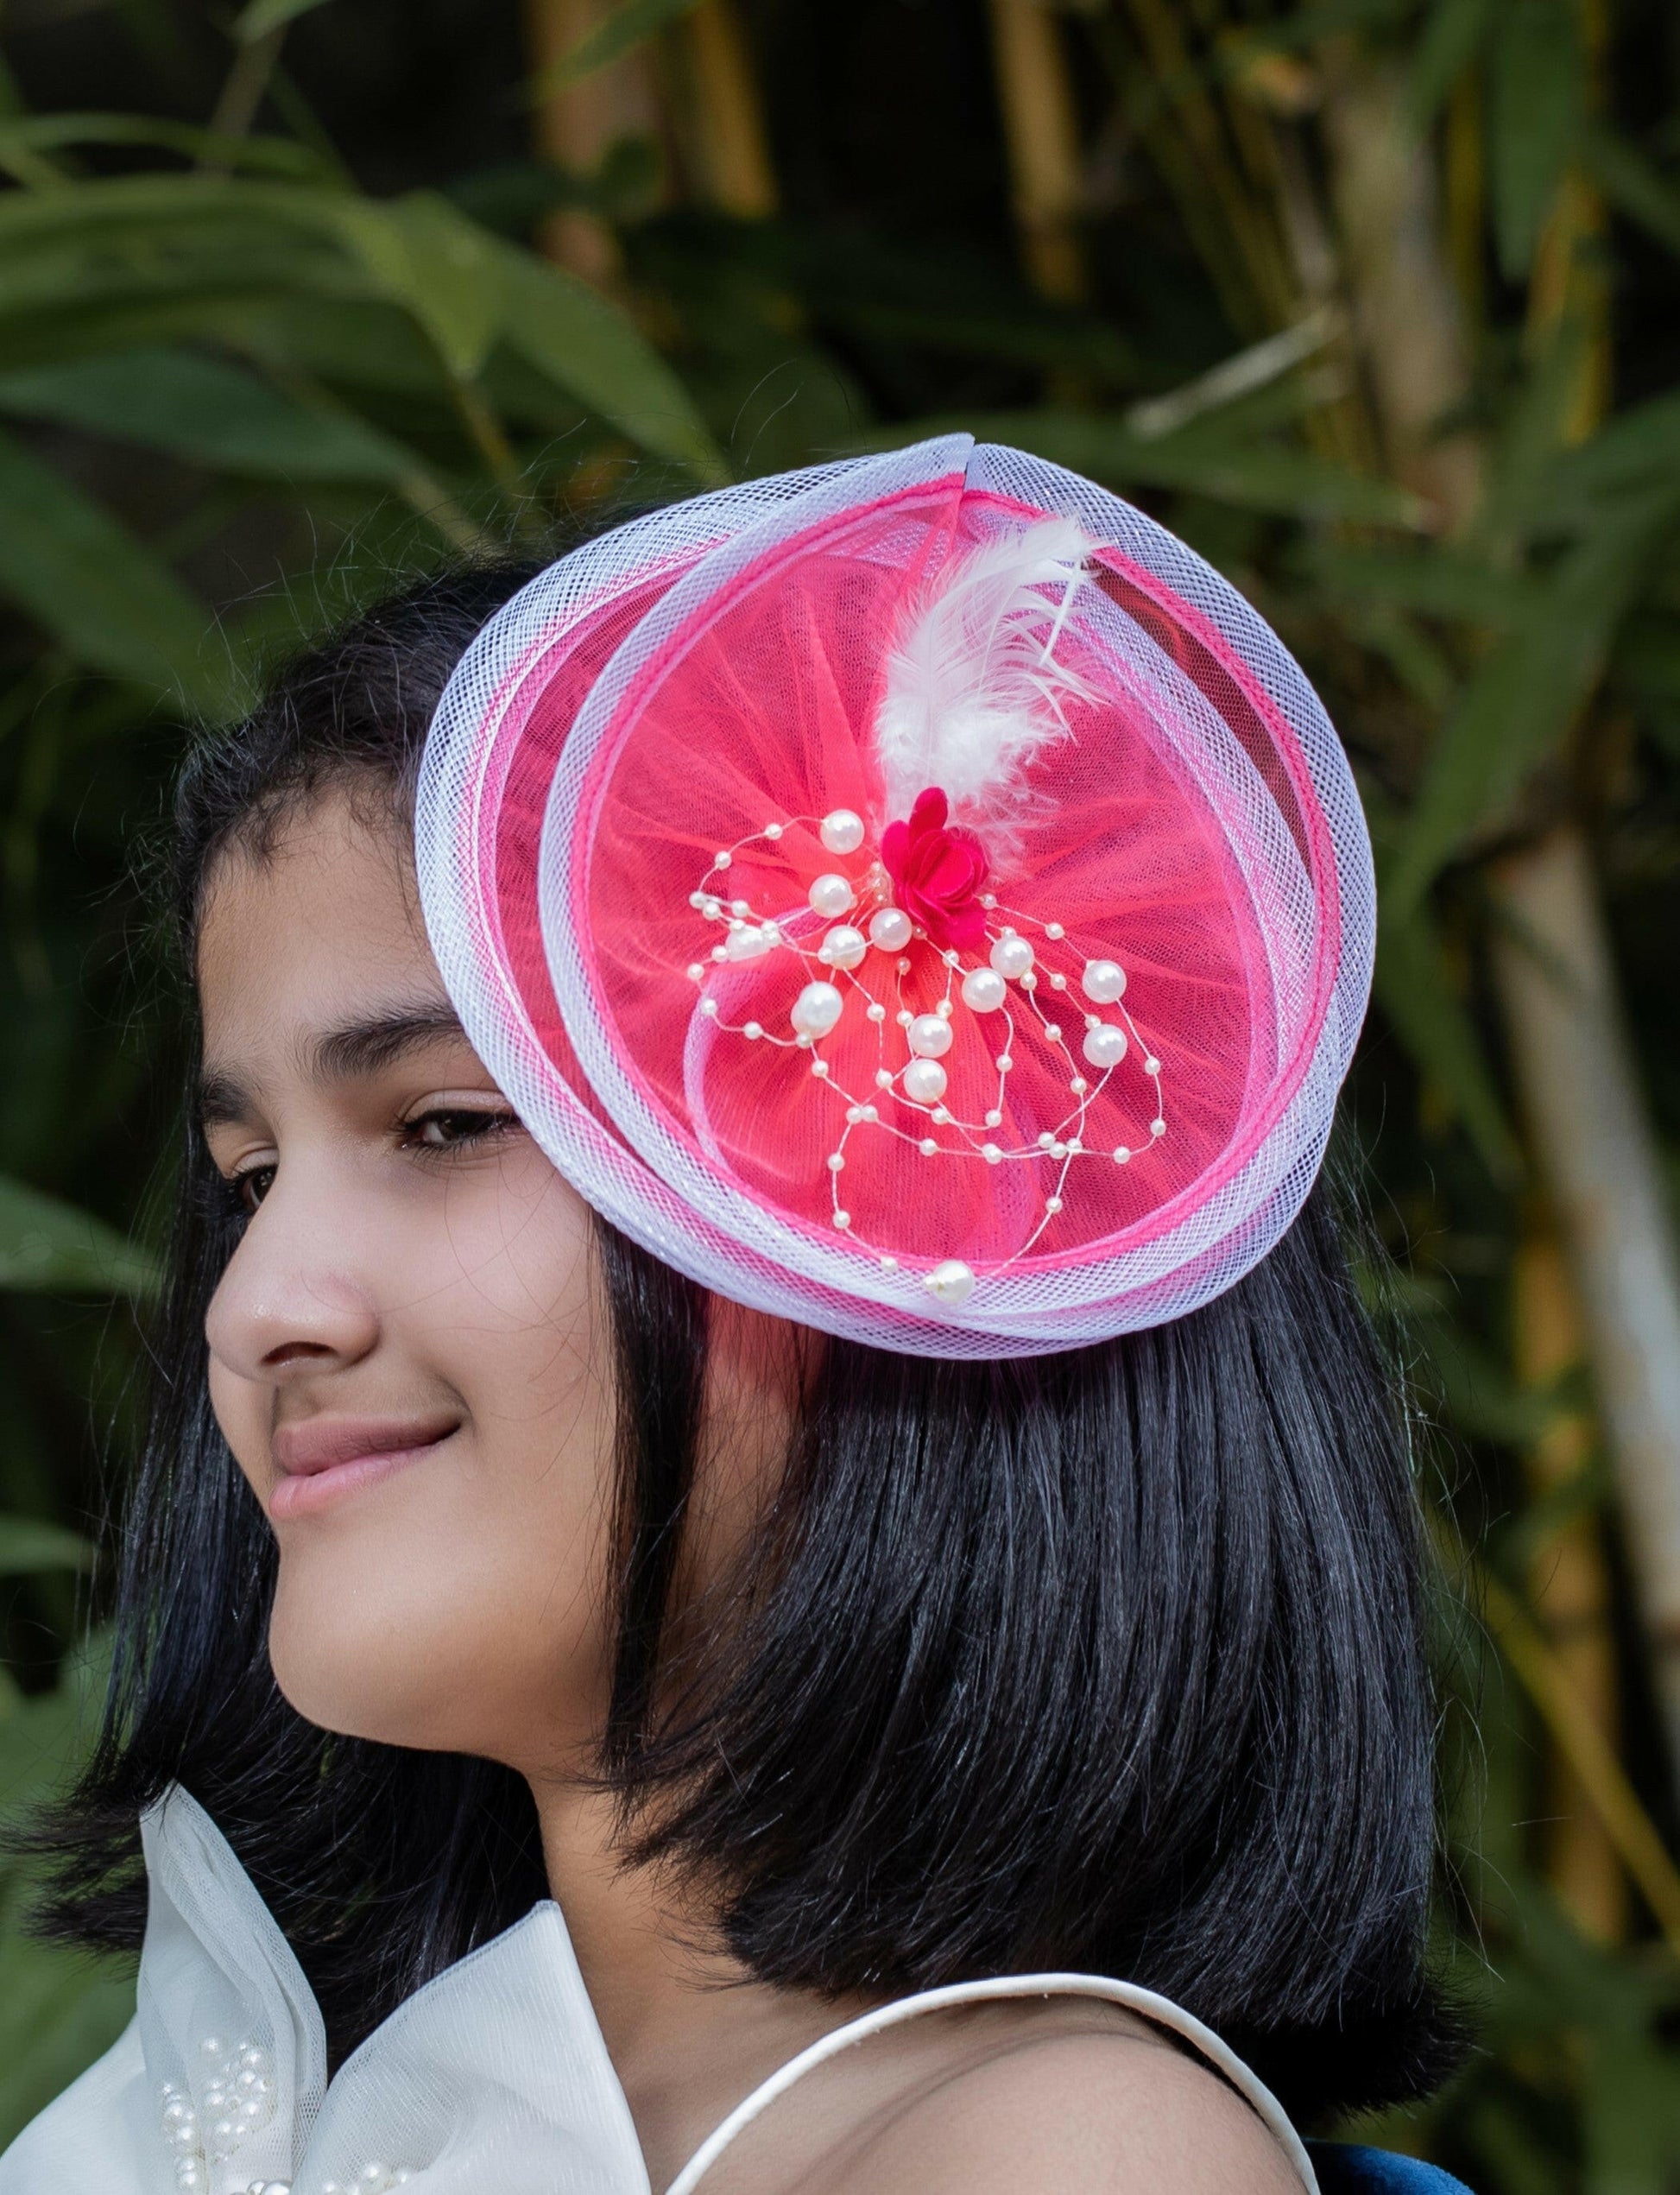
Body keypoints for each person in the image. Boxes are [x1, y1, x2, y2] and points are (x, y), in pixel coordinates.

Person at [2, 437, 1473, 2193]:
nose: (256, 1311)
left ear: (908, 1221)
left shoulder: (1057, 2151)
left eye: (448, 1122)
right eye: (247, 1177)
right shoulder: (330, 2086)